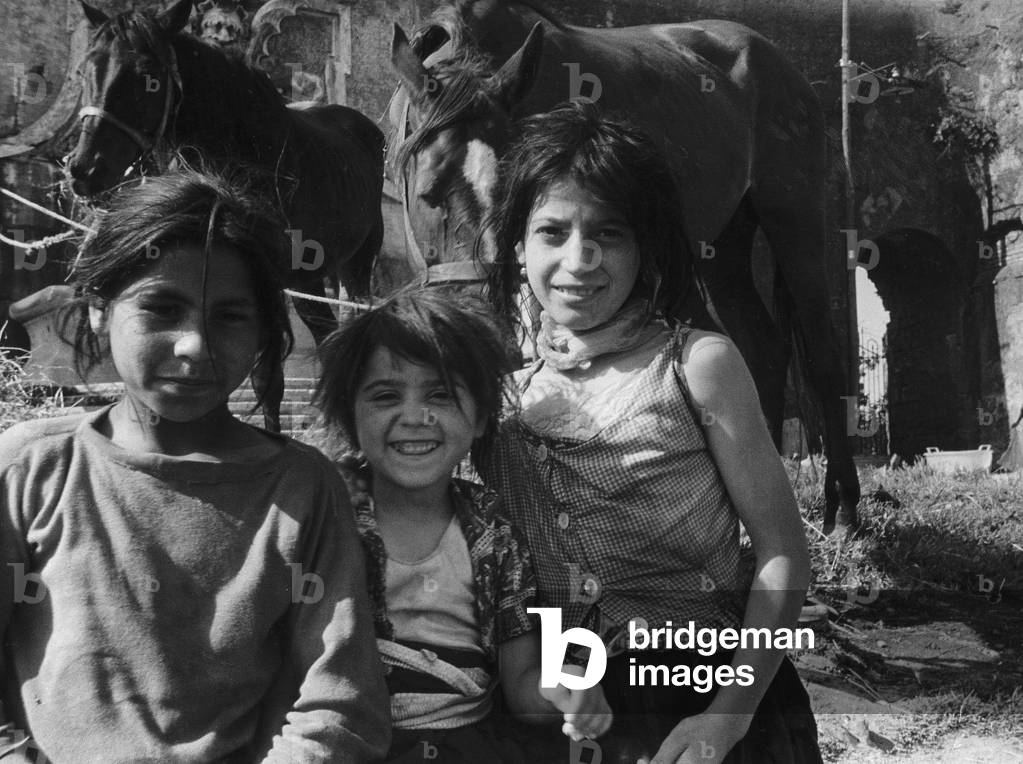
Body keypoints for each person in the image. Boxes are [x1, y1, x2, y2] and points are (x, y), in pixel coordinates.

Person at [0, 167, 390, 763]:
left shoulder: (302, 491)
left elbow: (340, 704)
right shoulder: (31, 469)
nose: (195, 346)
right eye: (161, 308)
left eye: (230, 316)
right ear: (101, 310)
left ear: (264, 329)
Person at [483, 102, 823, 764]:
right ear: (517, 247)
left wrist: (725, 720)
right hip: (572, 706)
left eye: (608, 234)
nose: (577, 261)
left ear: (646, 247)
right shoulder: (495, 394)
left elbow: (783, 551)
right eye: (551, 232)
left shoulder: (695, 365)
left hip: (709, 694)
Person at [313, 289, 612, 763]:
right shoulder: (321, 517)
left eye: (442, 394)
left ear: (481, 419)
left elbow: (523, 690)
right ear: (350, 418)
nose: (415, 416)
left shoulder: (497, 537)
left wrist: (570, 686)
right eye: (386, 395)